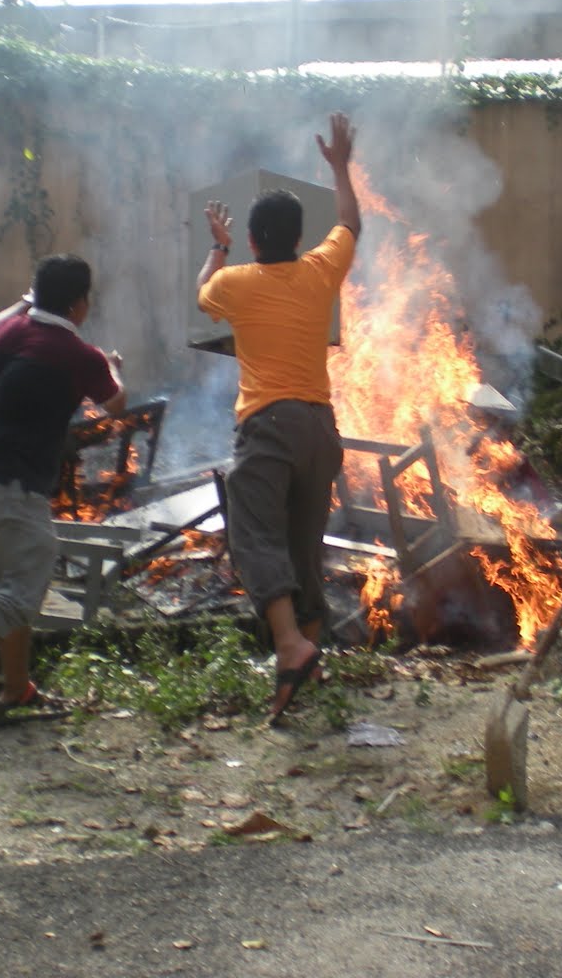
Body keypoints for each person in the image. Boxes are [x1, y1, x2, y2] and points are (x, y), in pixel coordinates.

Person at [197, 112, 361, 724]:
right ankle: (310, 664)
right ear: (297, 236)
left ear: (255, 240)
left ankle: (290, 646)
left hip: (268, 426)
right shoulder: (321, 271)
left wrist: (217, 245)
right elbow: (351, 222)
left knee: (254, 535)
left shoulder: (235, 282)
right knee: (303, 545)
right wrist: (340, 166)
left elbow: (202, 292)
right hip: (321, 429)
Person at [0, 254, 128, 716]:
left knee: (8, 587)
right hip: (16, 483)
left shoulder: (1, 332)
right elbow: (116, 403)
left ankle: (17, 687)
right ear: (79, 305)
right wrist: (113, 366)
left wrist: (27, 300)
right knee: (21, 591)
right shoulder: (78, 354)